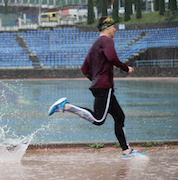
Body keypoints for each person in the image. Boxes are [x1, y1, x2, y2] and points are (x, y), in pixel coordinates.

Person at [48, 16, 145, 158]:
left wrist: (95, 80)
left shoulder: (95, 45)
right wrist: (126, 68)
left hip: (101, 85)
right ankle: (66, 106)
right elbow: (112, 57)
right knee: (99, 119)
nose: (115, 29)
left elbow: (84, 68)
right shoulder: (106, 40)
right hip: (104, 86)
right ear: (107, 27)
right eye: (113, 26)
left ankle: (127, 151)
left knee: (119, 116)